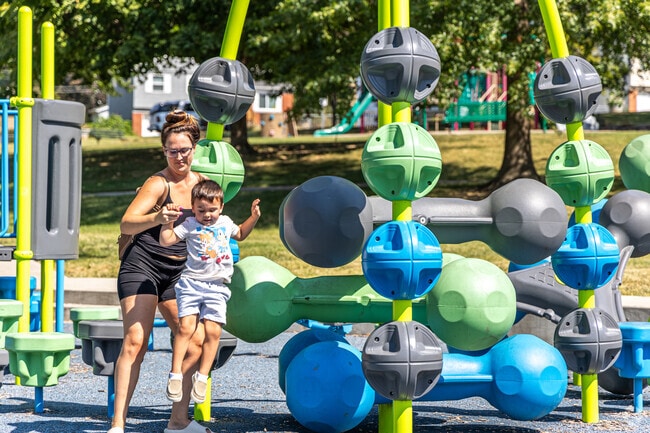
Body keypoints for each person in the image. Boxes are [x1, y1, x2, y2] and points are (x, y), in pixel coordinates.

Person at [109, 110, 213, 433]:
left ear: (195, 149)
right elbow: (127, 222)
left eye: (184, 150)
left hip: (178, 270)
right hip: (142, 266)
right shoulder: (158, 184)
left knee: (195, 341)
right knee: (135, 340)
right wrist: (159, 218)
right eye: (172, 151)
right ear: (164, 151)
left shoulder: (200, 185)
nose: (179, 157)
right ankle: (117, 425)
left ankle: (178, 423)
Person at [159, 180, 260, 404]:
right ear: (193, 208)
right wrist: (167, 222)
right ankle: (175, 373)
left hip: (217, 287)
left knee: (213, 333)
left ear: (221, 207)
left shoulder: (224, 223)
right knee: (185, 328)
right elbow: (166, 241)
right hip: (192, 284)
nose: (207, 215)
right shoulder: (189, 224)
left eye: (212, 210)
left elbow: (241, 233)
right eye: (201, 210)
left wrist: (253, 216)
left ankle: (202, 376)